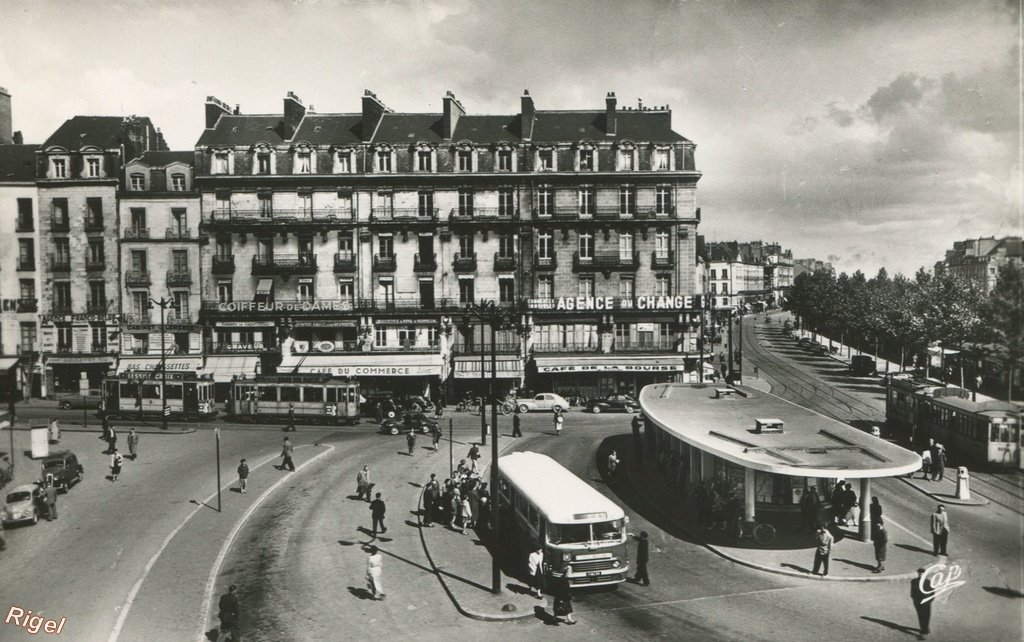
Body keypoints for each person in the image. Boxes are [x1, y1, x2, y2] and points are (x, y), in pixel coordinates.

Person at [911, 566, 932, 638]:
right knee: (920, 615)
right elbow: (912, 591)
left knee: (926, 615)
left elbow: (932, 592)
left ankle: (925, 628)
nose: (921, 575)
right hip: (917, 601)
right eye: (919, 573)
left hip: (926, 601)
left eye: (922, 573)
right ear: (918, 573)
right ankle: (923, 628)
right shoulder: (914, 581)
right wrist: (914, 599)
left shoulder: (928, 582)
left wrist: (930, 600)